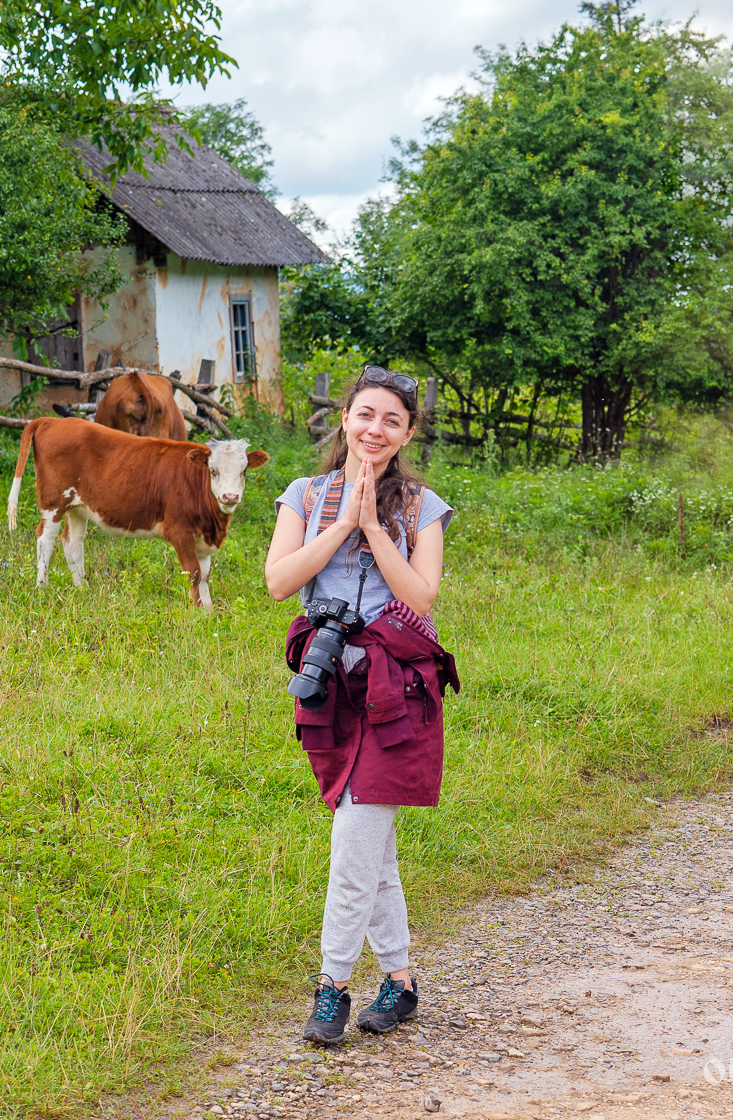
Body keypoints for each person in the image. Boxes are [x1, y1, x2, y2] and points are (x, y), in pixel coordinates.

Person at [264, 366, 456, 1045]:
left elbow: (420, 596)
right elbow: (279, 581)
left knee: (354, 842)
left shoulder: (421, 506)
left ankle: (332, 987)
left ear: (407, 433)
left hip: (395, 690)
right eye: (366, 414)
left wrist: (372, 526)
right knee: (372, 847)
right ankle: (400, 985)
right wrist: (343, 519)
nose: (376, 429)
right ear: (345, 417)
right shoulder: (304, 495)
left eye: (392, 421)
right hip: (329, 684)